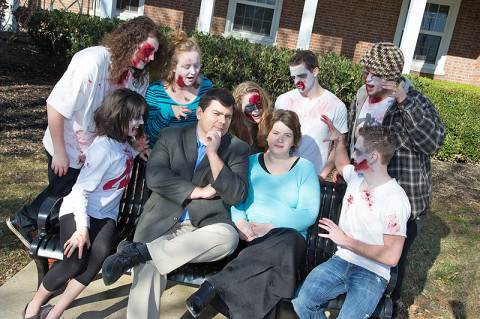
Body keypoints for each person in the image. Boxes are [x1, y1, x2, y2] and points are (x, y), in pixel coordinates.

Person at [7, 17, 168, 249]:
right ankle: (24, 222)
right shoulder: (92, 60)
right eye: (147, 50)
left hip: (98, 150)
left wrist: (135, 145)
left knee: (78, 198)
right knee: (63, 193)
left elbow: (128, 116)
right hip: (70, 143)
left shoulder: (138, 75)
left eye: (155, 53)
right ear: (130, 41)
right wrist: (61, 152)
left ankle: (50, 235)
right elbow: (55, 105)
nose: (151, 57)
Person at [101, 87, 250, 319]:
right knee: (150, 267)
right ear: (199, 113)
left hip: (205, 230)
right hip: (162, 222)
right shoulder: (171, 136)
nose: (222, 121)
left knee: (228, 237)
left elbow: (236, 194)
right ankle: (146, 253)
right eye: (216, 114)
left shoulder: (236, 149)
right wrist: (198, 192)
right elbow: (155, 176)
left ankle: (140, 252)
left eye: (228, 116)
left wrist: (213, 153)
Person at [22, 88, 149, 319]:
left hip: (105, 215)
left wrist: (134, 151)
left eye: (141, 116)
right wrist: (82, 229)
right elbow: (81, 191)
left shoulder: (120, 143)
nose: (140, 123)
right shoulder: (102, 147)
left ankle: (55, 313)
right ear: (118, 115)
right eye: (135, 117)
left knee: (95, 260)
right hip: (79, 210)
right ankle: (34, 305)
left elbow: (117, 161)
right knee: (74, 263)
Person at [185, 109, 321, 319]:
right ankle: (216, 293)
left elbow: (308, 213)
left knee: (287, 240)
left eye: (287, 135)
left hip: (288, 240)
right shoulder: (250, 162)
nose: (280, 139)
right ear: (266, 134)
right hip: (250, 237)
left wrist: (271, 226)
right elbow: (237, 197)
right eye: (275, 133)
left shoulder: (305, 168)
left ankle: (214, 287)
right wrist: (240, 222)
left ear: (295, 140)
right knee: (265, 279)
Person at [345, 42, 446, 315]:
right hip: (365, 195)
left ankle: (386, 306)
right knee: (362, 253)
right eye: (366, 70)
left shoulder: (415, 100)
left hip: (403, 199)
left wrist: (405, 102)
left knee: (392, 260)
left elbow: (433, 142)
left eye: (376, 74)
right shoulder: (360, 97)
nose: (368, 78)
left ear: (392, 77)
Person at [292, 119, 411, 318]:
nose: (353, 155)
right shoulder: (357, 177)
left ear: (373, 157)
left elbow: (391, 256)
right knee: (302, 302)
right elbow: (341, 163)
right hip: (341, 260)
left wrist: (346, 241)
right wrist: (339, 141)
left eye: (357, 151)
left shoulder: (395, 199)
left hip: (372, 273)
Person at [275, 50, 348, 180]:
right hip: (281, 174)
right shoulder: (284, 100)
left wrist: (323, 175)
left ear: (315, 72)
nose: (297, 81)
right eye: (293, 77)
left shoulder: (336, 105)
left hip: (313, 178)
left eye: (302, 75)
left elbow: (338, 145)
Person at [144, 29, 213, 148]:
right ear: (173, 67)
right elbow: (148, 136)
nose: (193, 71)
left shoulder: (206, 87)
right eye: (187, 66)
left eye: (196, 65)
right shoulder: (155, 92)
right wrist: (166, 113)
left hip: (193, 158)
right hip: (162, 157)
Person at [228, 81, 273, 153]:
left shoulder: (269, 127)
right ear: (240, 107)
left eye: (259, 104)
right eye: (250, 106)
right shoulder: (230, 132)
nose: (257, 110)